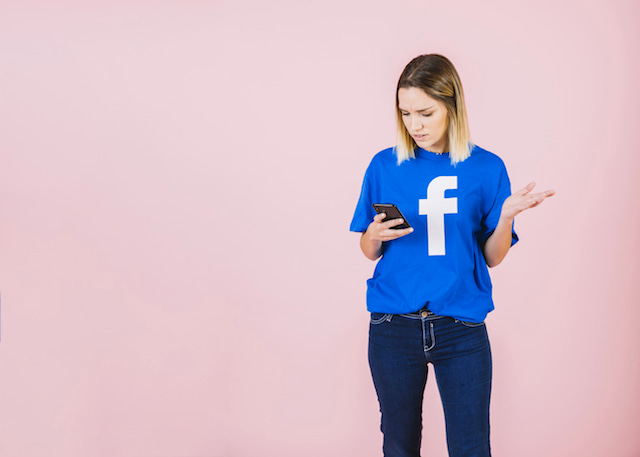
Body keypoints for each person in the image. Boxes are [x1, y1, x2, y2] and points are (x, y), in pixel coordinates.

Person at [349, 54, 555, 457]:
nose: (415, 125)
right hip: (393, 326)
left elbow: (493, 257)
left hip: (460, 326)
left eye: (425, 112)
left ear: (452, 106)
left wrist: (505, 219)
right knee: (399, 444)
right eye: (406, 113)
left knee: (471, 447)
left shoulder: (487, 168)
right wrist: (373, 234)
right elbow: (369, 251)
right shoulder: (384, 165)